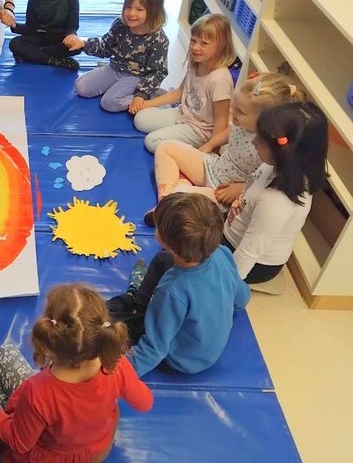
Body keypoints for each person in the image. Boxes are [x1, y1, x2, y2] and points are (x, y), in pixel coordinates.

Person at [0, 284, 153, 463]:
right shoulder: (117, 364)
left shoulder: (38, 392)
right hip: (96, 451)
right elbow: (145, 402)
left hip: (47, 457)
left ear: (50, 338)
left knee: (3, 354)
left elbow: (19, 443)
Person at [107, 193, 251, 378]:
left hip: (184, 358)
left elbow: (154, 348)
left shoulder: (171, 290)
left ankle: (137, 305)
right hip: (208, 348)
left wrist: (116, 376)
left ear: (166, 242)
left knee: (108, 320)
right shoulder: (222, 253)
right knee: (162, 259)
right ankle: (139, 301)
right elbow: (242, 298)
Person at [145, 73, 305, 224]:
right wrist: (209, 145)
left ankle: (172, 199)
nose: (231, 111)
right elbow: (230, 132)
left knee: (182, 196)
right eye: (233, 106)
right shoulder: (241, 124)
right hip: (214, 166)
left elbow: (269, 183)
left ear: (264, 119)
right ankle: (165, 199)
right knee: (166, 147)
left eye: (239, 111)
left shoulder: (268, 146)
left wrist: (240, 189)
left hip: (223, 191)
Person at [223, 101, 328, 283]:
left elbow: (248, 254)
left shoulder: (276, 202)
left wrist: (224, 285)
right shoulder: (276, 165)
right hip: (232, 235)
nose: (253, 142)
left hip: (252, 262)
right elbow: (254, 188)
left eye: (260, 141)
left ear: (284, 152)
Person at [132, 13, 235, 153]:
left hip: (200, 131)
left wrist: (212, 148)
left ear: (221, 46)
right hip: (184, 113)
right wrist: (147, 104)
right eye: (193, 41)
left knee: (152, 141)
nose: (195, 47)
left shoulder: (220, 80)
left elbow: (221, 118)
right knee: (140, 119)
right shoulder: (197, 63)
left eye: (204, 43)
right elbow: (180, 92)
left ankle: (192, 151)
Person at [68, 0, 169, 113]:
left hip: (136, 78)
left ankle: (153, 95)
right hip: (114, 68)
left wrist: (141, 94)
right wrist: (84, 44)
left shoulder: (159, 39)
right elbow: (105, 47)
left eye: (139, 9)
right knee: (80, 86)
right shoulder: (120, 25)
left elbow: (158, 72)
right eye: (128, 7)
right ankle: (119, 89)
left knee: (109, 103)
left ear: (152, 13)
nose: (131, 13)